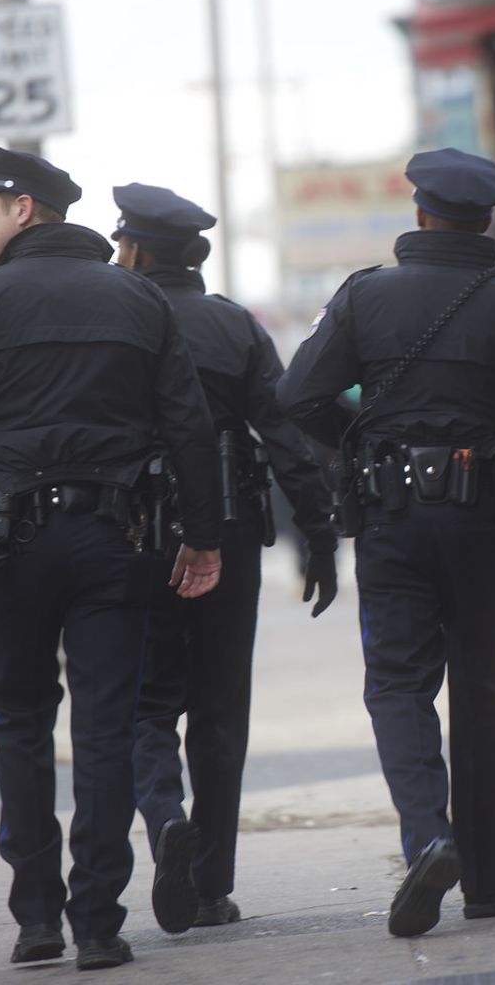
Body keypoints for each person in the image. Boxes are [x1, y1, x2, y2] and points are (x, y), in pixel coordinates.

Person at [0, 146, 224, 972]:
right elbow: (188, 424)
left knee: (18, 719)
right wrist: (202, 532)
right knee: (106, 724)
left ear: (23, 208)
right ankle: (98, 925)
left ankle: (36, 920)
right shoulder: (136, 297)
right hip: (118, 541)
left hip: (10, 543)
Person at [277, 147, 495, 938]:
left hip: (389, 519)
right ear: (486, 222)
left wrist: (359, 446)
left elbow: (297, 394)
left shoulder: (364, 297)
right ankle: (487, 885)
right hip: (481, 521)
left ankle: (427, 838)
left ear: (418, 214)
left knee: (397, 684)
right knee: (481, 688)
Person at [109, 182, 339, 934]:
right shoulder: (235, 326)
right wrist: (319, 539)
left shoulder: (115, 319)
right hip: (232, 536)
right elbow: (287, 437)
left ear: (137, 250)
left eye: (120, 244)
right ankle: (210, 888)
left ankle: (166, 816)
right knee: (218, 714)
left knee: (145, 704)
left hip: (135, 537)